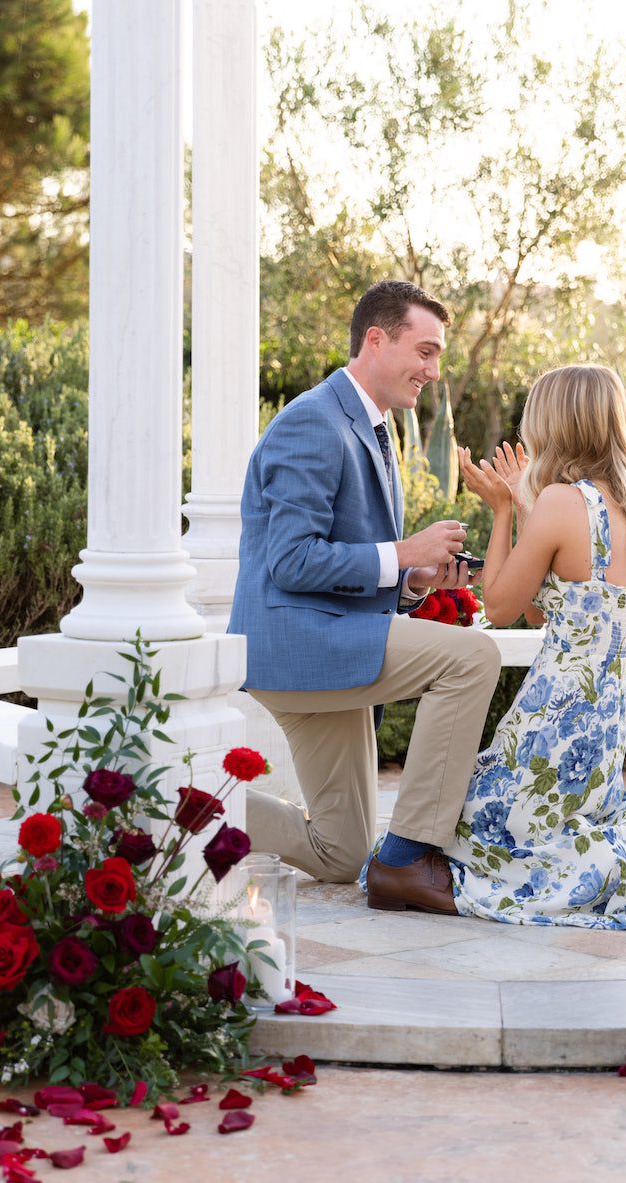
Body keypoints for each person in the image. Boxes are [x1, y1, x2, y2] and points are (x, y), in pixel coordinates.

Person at [229, 280, 501, 913]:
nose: (434, 371)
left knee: (338, 855)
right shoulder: (313, 421)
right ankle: (408, 856)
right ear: (376, 339)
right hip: (300, 641)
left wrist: (411, 581)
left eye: (439, 357)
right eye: (425, 352)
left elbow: (342, 559)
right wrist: (405, 552)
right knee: (472, 657)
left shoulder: (368, 426)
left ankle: (179, 802)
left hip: (330, 637)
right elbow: (291, 561)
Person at [441, 364, 626, 928]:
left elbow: (499, 607)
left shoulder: (563, 503)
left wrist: (500, 511)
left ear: (555, 424)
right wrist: (524, 507)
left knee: (457, 824)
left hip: (550, 727)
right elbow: (548, 606)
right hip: (598, 741)